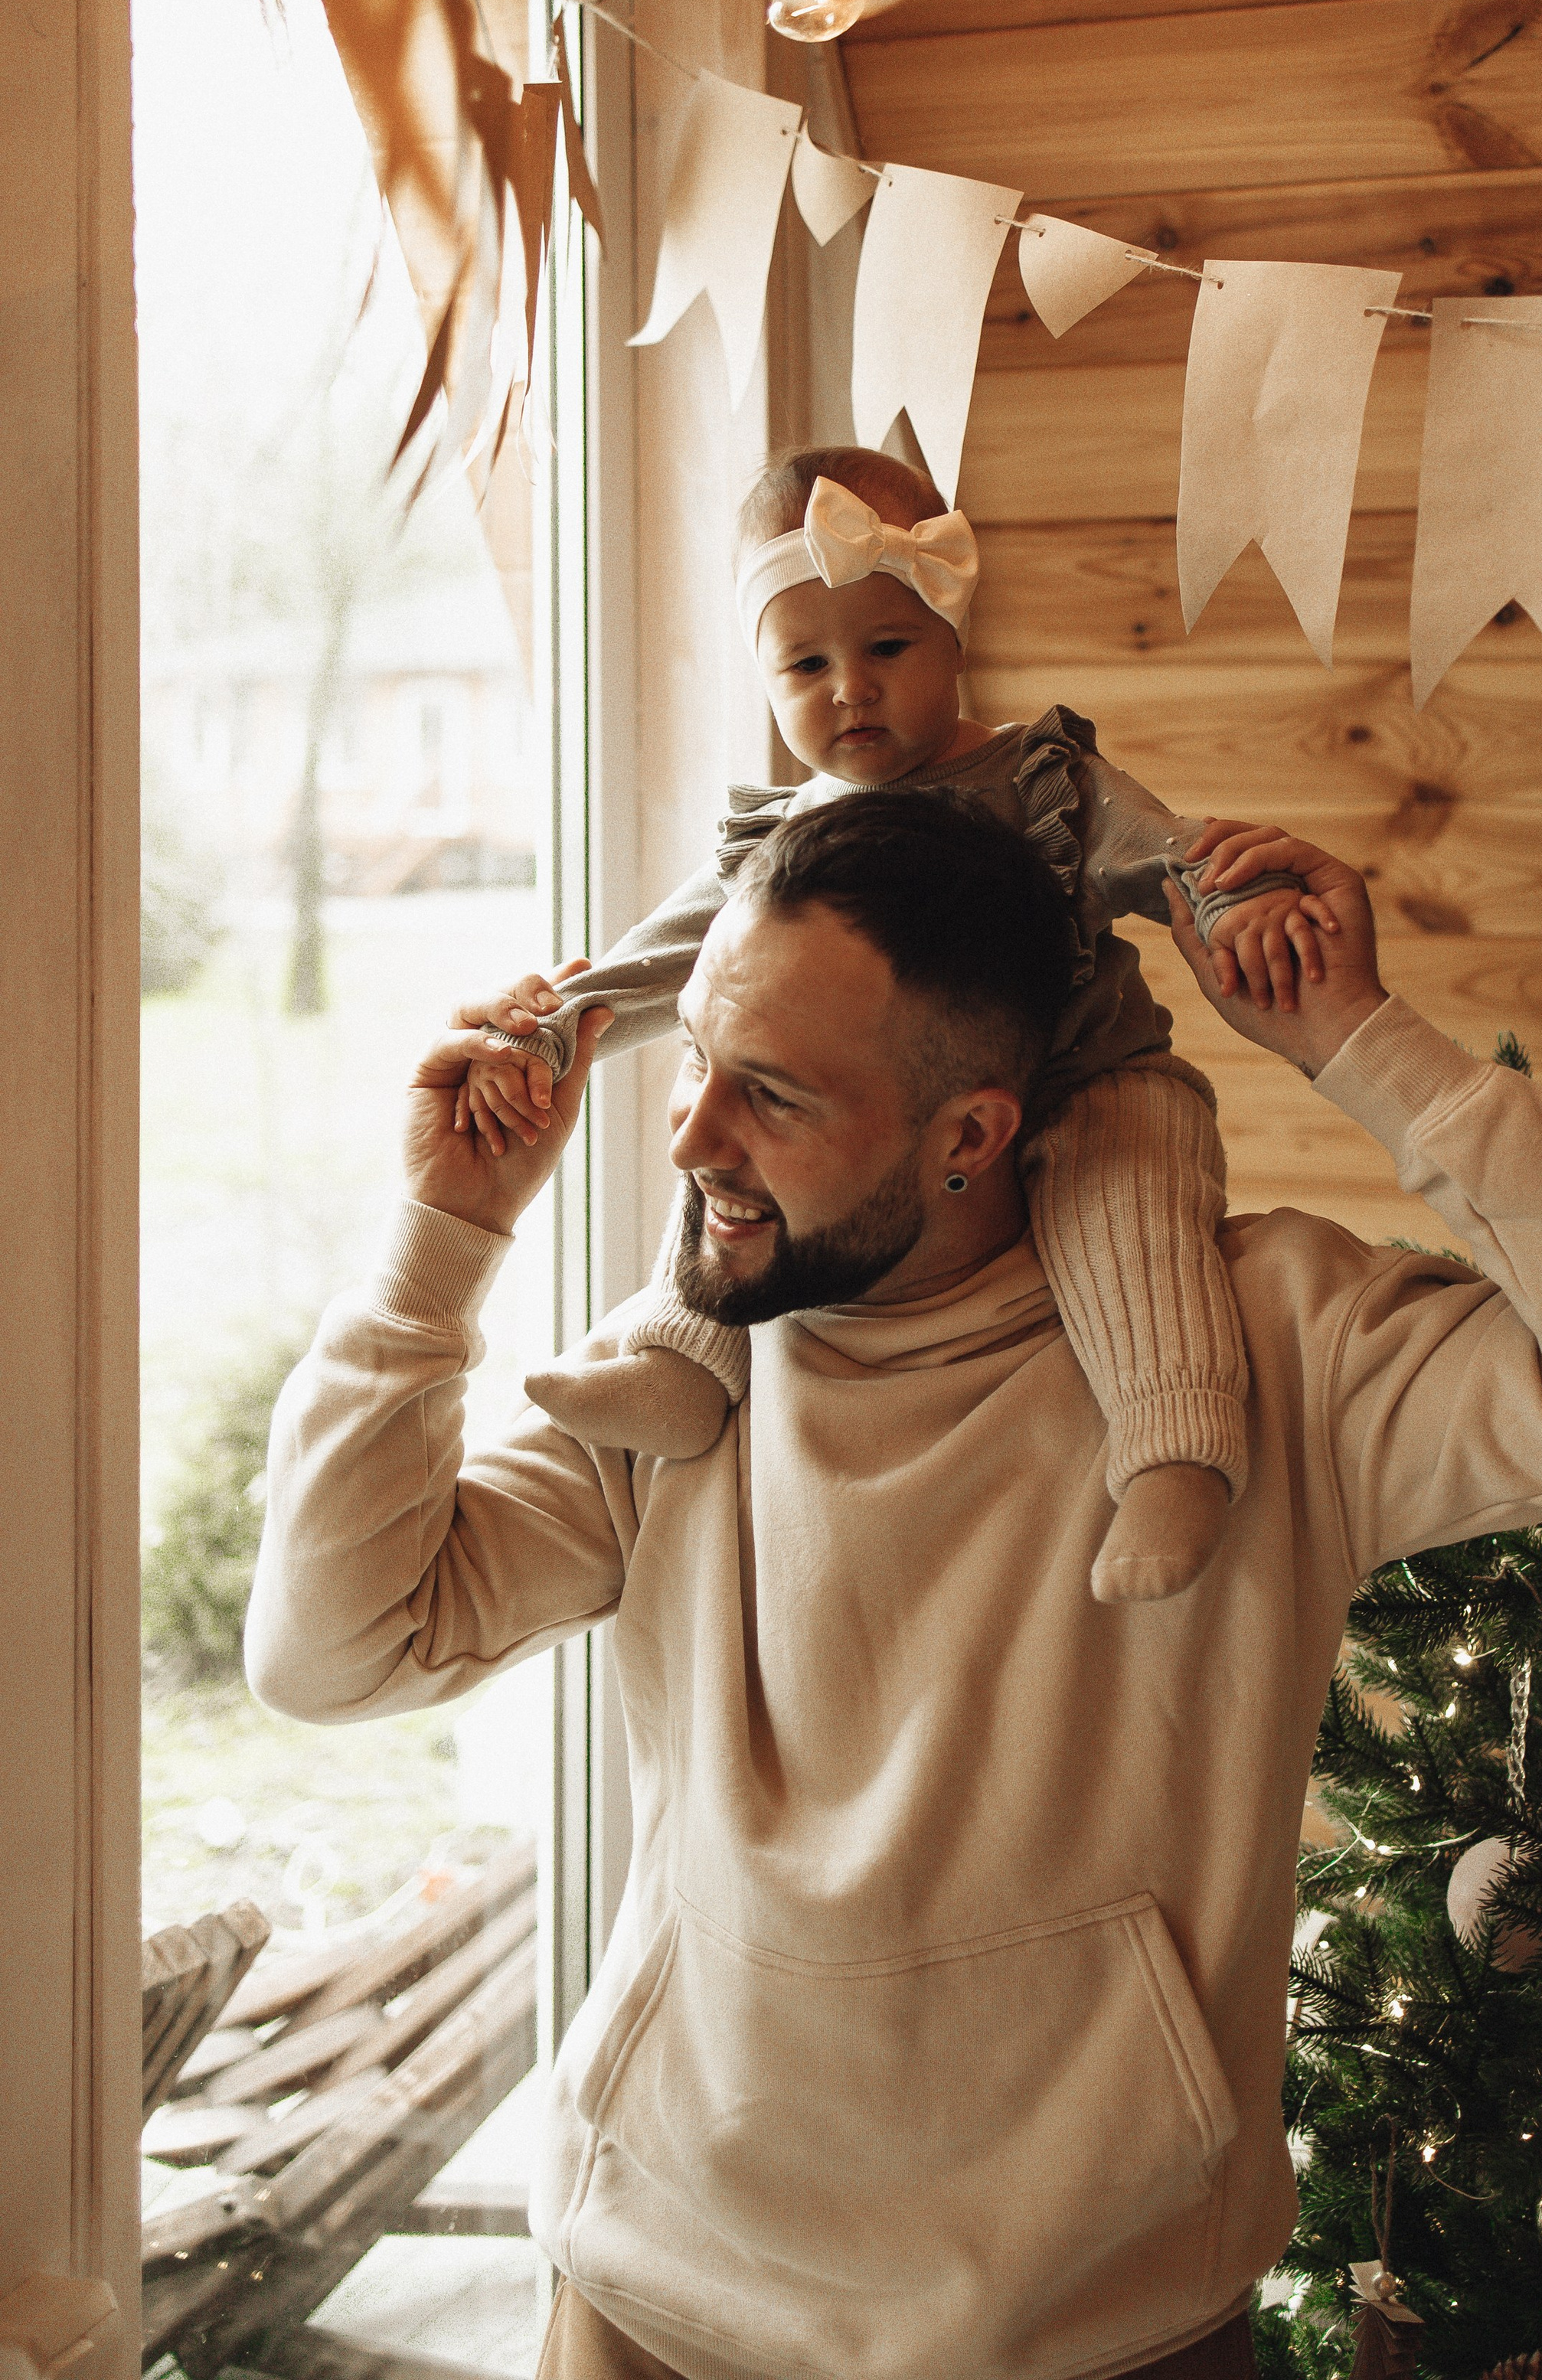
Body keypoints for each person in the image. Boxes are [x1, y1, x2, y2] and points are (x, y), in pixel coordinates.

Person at [246, 795, 1542, 2380]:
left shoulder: (1264, 1352)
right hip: (655, 2311)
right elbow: (333, 1652)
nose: (690, 1133)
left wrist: (1358, 1038)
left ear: (970, 1136)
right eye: (700, 1058)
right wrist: (440, 1238)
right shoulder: (676, 1383)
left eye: (771, 1095)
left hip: (1099, 2338)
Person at [451, 445, 1332, 1605]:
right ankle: (678, 1360)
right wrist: (554, 1026)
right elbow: (666, 957)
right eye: (804, 665)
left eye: (887, 650)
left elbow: (1163, 851)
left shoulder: (1038, 776)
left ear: (955, 639)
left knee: (1136, 1216)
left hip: (1089, 1070)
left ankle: (1175, 1446)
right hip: (869, 1114)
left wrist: (1240, 896)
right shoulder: (783, 835)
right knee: (735, 1134)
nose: (849, 691)